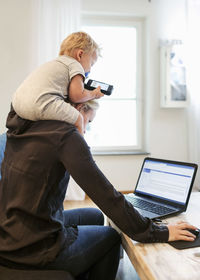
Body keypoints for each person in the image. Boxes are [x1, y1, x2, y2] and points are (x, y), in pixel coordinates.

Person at [0, 100, 197, 280]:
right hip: (33, 249)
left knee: (94, 214)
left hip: (13, 230)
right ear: (77, 111)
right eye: (89, 121)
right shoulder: (65, 137)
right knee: (111, 237)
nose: (86, 129)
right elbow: (105, 195)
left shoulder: (33, 127)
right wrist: (159, 232)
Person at [12, 31, 104, 136]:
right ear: (80, 54)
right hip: (41, 103)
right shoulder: (75, 65)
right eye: (91, 64)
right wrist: (94, 94)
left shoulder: (54, 63)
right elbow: (76, 96)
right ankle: (79, 144)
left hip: (18, 106)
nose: (90, 70)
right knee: (78, 118)